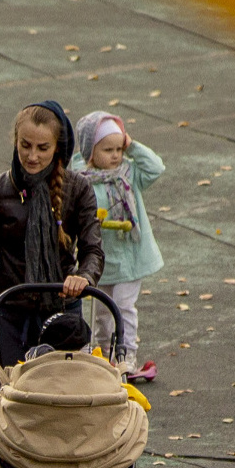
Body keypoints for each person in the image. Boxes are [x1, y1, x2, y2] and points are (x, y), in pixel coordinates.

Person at [0, 100, 102, 389]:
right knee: (12, 393)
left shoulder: (77, 190)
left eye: (43, 148)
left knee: (62, 391)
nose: (32, 156)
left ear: (57, 148)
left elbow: (93, 249)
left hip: (61, 306)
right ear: (15, 141)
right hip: (10, 309)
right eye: (25, 145)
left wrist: (83, 277)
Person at [73, 109, 165, 382]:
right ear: (90, 151)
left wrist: (131, 145)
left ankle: (126, 356)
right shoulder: (82, 179)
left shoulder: (129, 173)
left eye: (118, 148)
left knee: (124, 307)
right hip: (101, 260)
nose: (115, 155)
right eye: (107, 149)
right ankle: (103, 355)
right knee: (102, 311)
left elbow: (156, 168)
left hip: (130, 258)